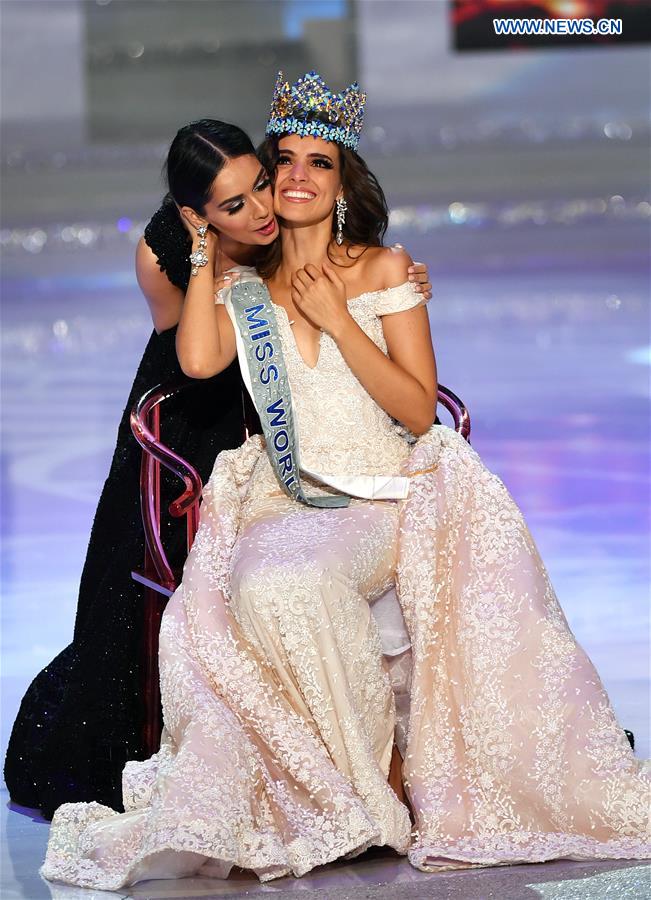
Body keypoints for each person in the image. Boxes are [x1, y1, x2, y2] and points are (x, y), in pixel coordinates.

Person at [41, 72, 649, 891]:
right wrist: (201, 252)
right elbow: (194, 361)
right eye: (280, 160)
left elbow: (416, 406)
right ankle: (339, 790)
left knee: (292, 581)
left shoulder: (382, 269)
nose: (292, 177)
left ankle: (375, 789)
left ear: (340, 182)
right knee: (253, 579)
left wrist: (336, 322)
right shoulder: (240, 284)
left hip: (383, 498)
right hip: (285, 499)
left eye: (314, 164)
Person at [4, 118, 432, 820]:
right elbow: (190, 357)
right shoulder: (168, 252)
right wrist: (209, 261)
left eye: (264, 182)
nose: (262, 207)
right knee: (156, 595)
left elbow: (391, 366)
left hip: (292, 425)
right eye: (235, 205)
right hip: (198, 416)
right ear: (196, 215)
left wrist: (388, 295)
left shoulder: (302, 240)